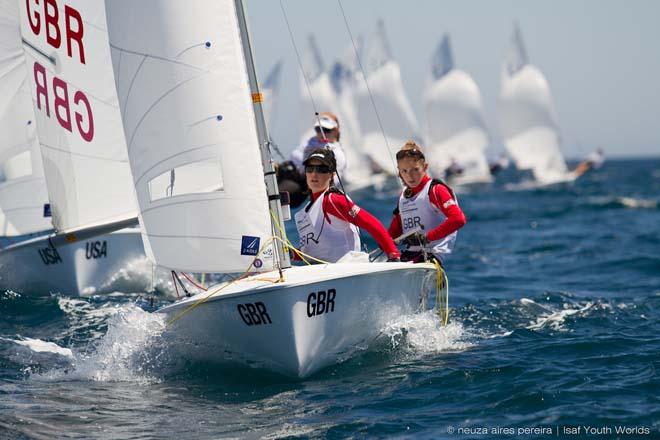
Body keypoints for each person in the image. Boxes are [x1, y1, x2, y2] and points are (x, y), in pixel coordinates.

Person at [294, 148, 400, 263]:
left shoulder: (332, 200)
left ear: (332, 174)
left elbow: (371, 223)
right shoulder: (302, 214)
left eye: (321, 169)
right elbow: (313, 252)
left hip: (345, 270)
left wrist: (393, 254)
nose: (314, 173)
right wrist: (290, 254)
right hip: (320, 272)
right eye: (310, 168)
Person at [389, 141, 467, 264]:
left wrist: (426, 237)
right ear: (399, 172)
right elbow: (393, 232)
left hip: (431, 258)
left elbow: (458, 219)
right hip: (409, 256)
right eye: (404, 171)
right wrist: (384, 242)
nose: (410, 176)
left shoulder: (435, 190)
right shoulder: (403, 196)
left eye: (415, 169)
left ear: (425, 167)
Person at [277, 112, 347, 208]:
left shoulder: (337, 154)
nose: (321, 133)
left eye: (326, 130)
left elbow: (332, 182)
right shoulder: (311, 141)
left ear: (335, 131)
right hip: (287, 173)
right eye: (318, 129)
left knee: (273, 195)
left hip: (301, 186)